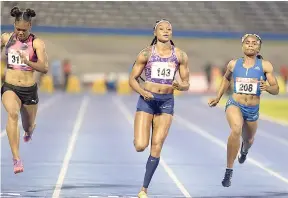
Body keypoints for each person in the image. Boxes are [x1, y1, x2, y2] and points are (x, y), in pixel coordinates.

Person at [208, 34, 279, 187]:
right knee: (236, 129)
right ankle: (229, 170)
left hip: (252, 109)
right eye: (247, 43)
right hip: (235, 103)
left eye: (254, 43)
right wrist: (218, 97)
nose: (251, 45)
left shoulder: (265, 66)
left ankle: (244, 151)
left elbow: (276, 89)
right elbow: (226, 78)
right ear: (242, 46)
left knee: (248, 140)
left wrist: (268, 87)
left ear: (258, 47)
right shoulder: (233, 64)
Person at [129, 19, 190, 198]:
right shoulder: (146, 53)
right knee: (141, 145)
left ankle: (144, 189)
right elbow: (132, 79)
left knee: (157, 146)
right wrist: (142, 91)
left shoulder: (180, 55)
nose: (165, 31)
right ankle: (138, 138)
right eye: (161, 29)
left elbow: (187, 83)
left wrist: (181, 86)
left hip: (166, 102)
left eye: (169, 29)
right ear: (155, 33)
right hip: (147, 100)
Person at [1, 7, 49, 174]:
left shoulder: (37, 43)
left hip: (29, 90)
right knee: (12, 114)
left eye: (24, 29)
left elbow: (44, 68)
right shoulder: (7, 39)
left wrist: (28, 62)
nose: (20, 33)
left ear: (29, 26)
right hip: (10, 87)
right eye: (17, 29)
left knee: (27, 126)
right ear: (14, 25)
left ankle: (30, 130)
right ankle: (16, 159)